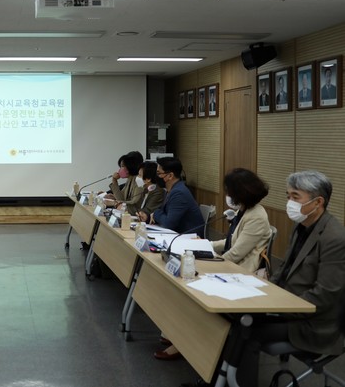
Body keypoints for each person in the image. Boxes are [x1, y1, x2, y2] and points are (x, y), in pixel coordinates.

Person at [233, 170, 345, 386]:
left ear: (318, 202)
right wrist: (263, 292)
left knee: (246, 332)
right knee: (234, 318)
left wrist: (277, 308)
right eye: (288, 196)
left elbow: (325, 295)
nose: (289, 202)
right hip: (286, 305)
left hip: (313, 323)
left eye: (295, 197)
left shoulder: (335, 238)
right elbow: (284, 269)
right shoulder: (301, 226)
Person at [154, 168, 271, 361]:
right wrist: (204, 244)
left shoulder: (257, 216)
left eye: (230, 191)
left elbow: (235, 254)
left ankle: (184, 342)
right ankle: (176, 333)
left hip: (242, 274)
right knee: (180, 286)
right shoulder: (244, 210)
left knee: (191, 288)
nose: (228, 195)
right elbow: (229, 242)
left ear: (241, 192)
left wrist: (206, 260)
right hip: (231, 266)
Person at [136, 156, 204, 237]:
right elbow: (165, 216)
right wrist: (147, 218)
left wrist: (155, 213)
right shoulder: (170, 190)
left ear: (170, 176)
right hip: (176, 234)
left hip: (189, 238)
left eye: (159, 173)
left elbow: (168, 223)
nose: (156, 176)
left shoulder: (179, 193)